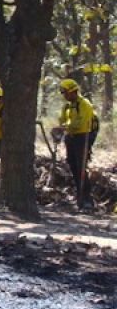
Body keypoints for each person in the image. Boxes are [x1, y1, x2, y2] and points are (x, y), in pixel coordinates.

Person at [51, 78, 98, 210]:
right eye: (63, 93)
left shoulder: (84, 104)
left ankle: (87, 199)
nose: (64, 96)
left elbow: (81, 123)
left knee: (81, 166)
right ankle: (80, 195)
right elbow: (62, 120)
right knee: (72, 165)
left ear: (73, 91)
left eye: (65, 93)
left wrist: (65, 127)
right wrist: (60, 128)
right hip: (71, 137)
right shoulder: (66, 106)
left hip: (83, 136)